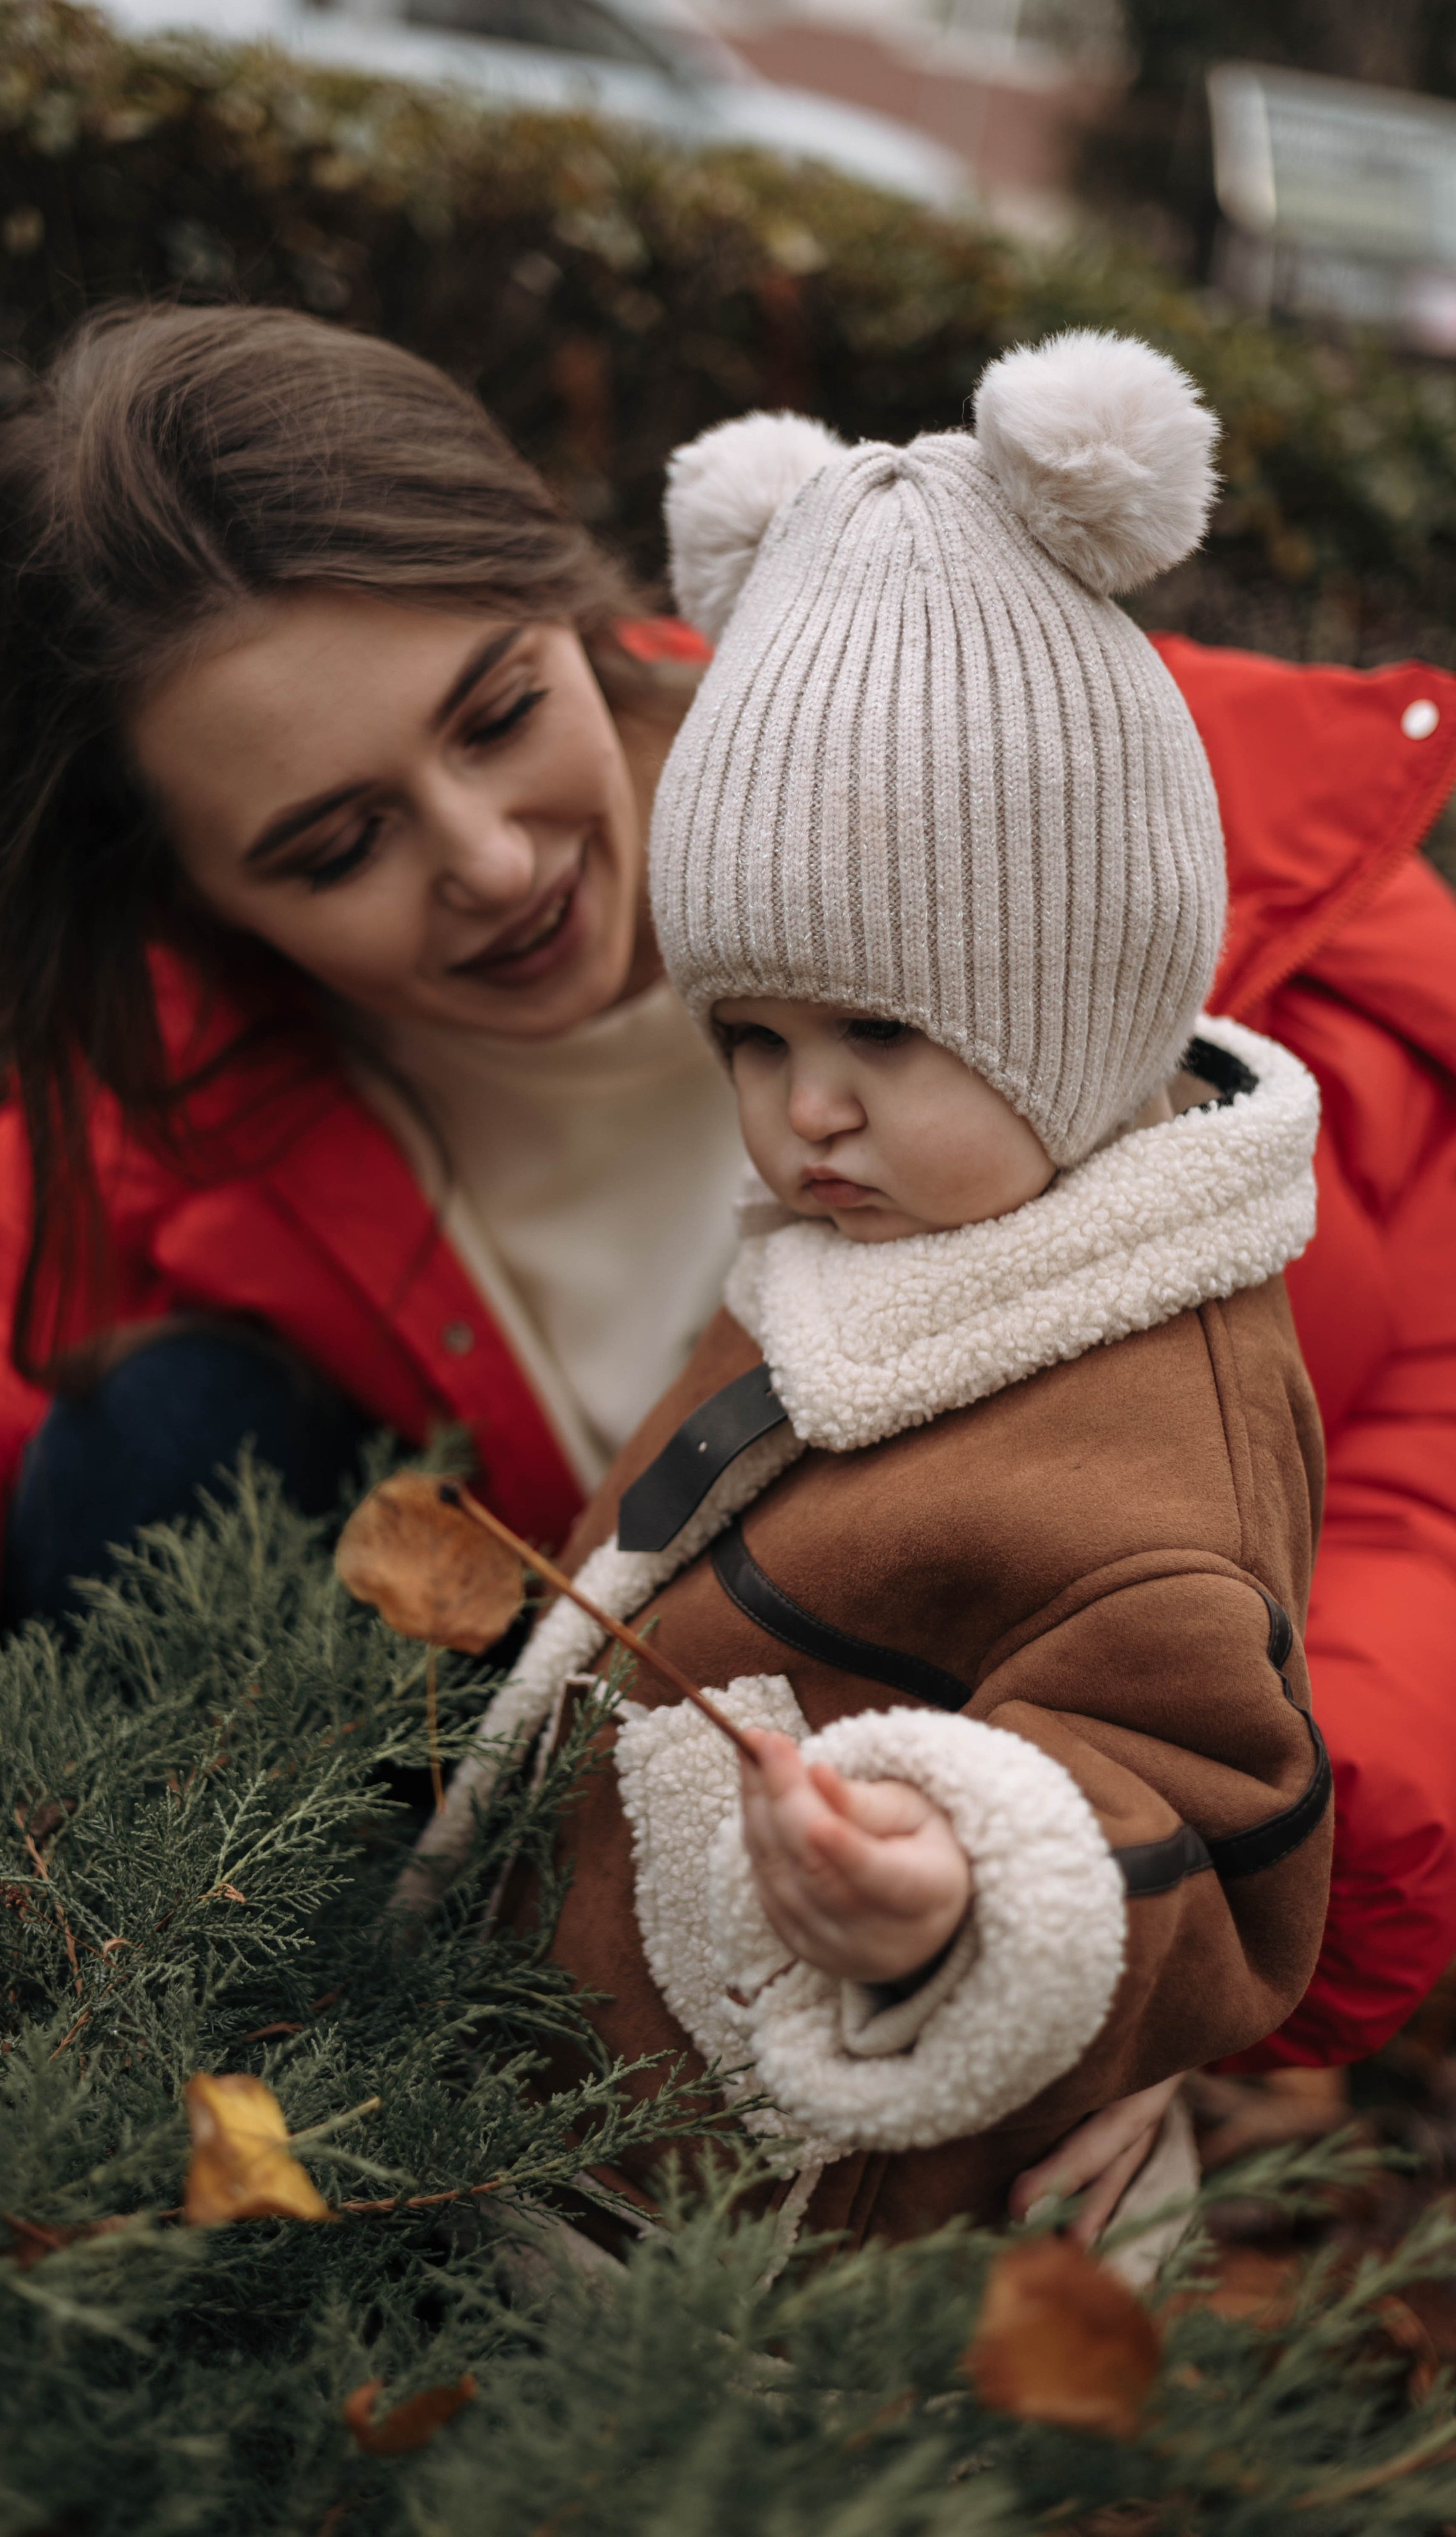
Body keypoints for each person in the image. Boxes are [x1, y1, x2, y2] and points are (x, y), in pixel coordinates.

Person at [0, 301, 1450, 2203]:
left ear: (579, 606)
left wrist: (1116, 1931)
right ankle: (161, 2126)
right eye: (334, 847)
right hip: (558, 1825)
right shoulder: (207, 1053)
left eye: (501, 710)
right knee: (162, 1426)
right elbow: (17, 1318)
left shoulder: (1059, 821)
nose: (489, 860)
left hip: (1001, 1806)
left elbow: (1417, 1469)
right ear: (192, 893)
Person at [416, 332, 1332, 2247]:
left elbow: (1207, 1799)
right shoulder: (883, 1249)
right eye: (747, 1032)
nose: (801, 1107)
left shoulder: (1153, 1406)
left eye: (881, 1031)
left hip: (853, 2247)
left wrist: (971, 1897)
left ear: (1087, 1000)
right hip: (630, 2141)